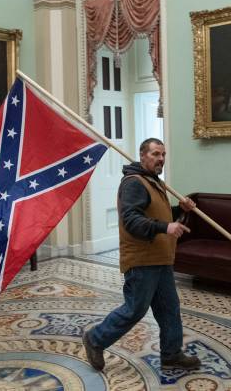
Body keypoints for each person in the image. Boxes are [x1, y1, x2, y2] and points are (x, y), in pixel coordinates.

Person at [82, 138, 201, 371]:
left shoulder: (153, 181)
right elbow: (132, 220)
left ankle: (171, 353)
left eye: (163, 154)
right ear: (143, 155)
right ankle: (95, 339)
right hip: (142, 260)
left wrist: (179, 210)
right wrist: (166, 228)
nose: (161, 159)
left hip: (161, 258)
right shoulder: (134, 183)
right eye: (156, 154)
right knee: (135, 309)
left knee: (169, 308)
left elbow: (157, 214)